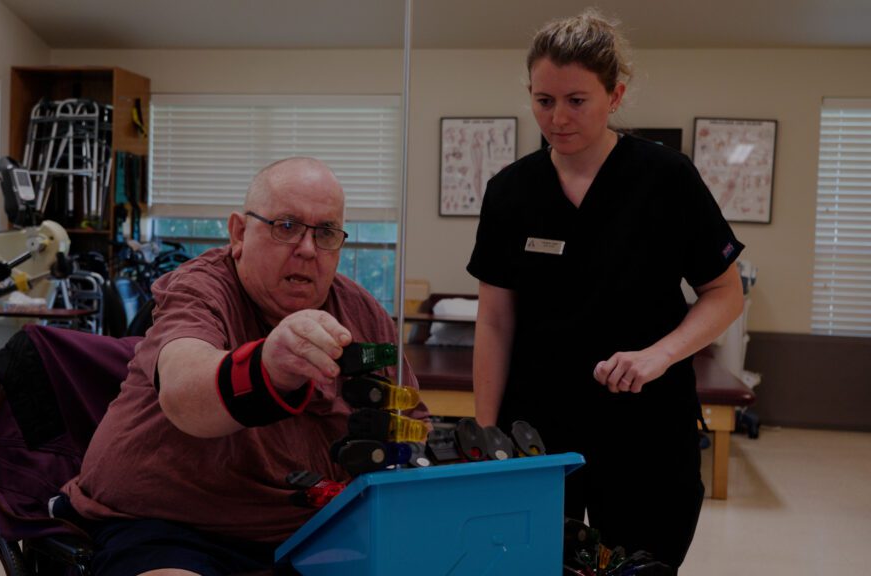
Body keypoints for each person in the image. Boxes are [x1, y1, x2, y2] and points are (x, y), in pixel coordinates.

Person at [466, 10, 744, 572]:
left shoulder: (667, 179)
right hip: (536, 429)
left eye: (576, 100)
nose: (557, 117)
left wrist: (657, 356)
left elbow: (725, 292)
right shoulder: (510, 191)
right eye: (544, 100)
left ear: (615, 95)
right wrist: (488, 436)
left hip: (646, 428)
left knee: (641, 563)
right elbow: (495, 321)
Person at [60, 157, 426, 576]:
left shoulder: (362, 312)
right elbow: (184, 393)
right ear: (238, 232)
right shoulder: (201, 289)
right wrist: (269, 367)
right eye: (286, 226)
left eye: (325, 232)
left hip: (315, 534)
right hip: (173, 528)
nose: (307, 249)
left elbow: (410, 427)